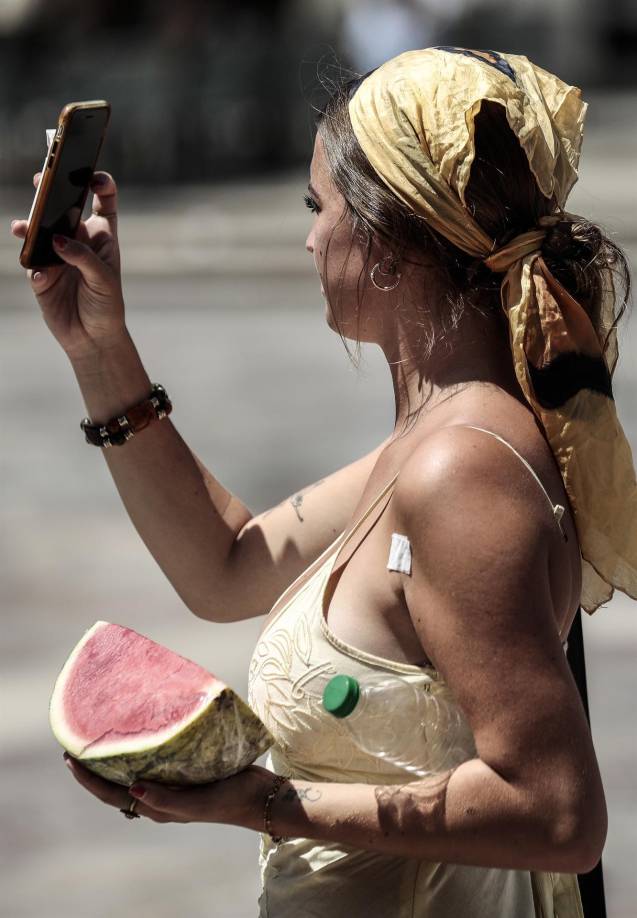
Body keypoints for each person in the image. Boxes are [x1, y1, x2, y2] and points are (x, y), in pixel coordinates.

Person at [11, 46, 636, 917]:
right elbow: (224, 565)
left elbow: (556, 811)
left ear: (387, 236)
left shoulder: (460, 473)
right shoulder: (433, 442)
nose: (307, 235)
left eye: (319, 206)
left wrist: (265, 805)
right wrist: (98, 347)